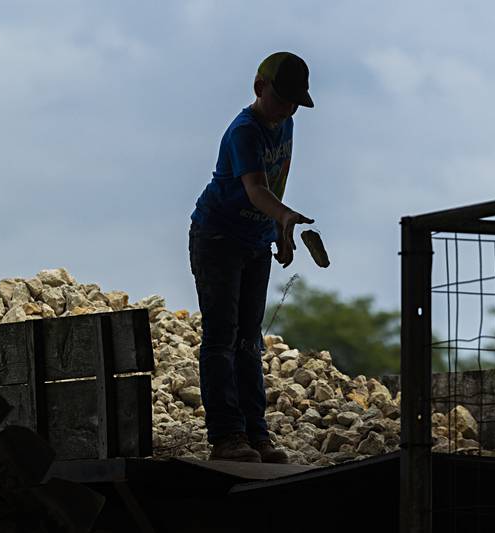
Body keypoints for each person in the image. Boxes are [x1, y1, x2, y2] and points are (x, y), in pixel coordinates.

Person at [189, 52, 315, 463]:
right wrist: (284, 213)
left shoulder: (287, 123)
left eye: (294, 102)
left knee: (249, 341)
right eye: (281, 99)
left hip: (255, 242)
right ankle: (227, 437)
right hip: (218, 238)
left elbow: (273, 188)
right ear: (260, 88)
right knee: (221, 338)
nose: (287, 109)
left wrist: (280, 231)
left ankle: (256, 434)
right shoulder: (244, 131)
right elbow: (257, 190)